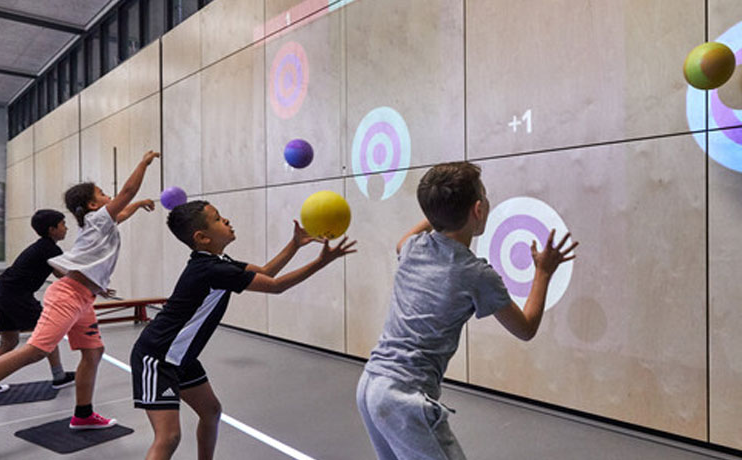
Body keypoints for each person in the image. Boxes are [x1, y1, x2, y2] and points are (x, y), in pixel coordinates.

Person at [0, 150, 161, 445]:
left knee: (93, 352)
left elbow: (124, 210)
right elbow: (127, 193)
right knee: (36, 350)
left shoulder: (101, 223)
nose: (110, 196)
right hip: (67, 296)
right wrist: (143, 164)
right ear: (93, 205)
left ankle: (83, 414)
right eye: (103, 193)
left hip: (84, 298)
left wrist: (139, 205)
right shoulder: (97, 220)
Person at [356, 162, 578, 459]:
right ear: (478, 210)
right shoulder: (476, 274)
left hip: (370, 385)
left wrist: (439, 207)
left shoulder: (413, 247)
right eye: (484, 196)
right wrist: (543, 272)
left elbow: (404, 240)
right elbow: (525, 328)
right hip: (403, 398)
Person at [131, 200, 355, 459]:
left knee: (211, 411)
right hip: (158, 357)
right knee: (169, 437)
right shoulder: (212, 269)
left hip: (181, 357)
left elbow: (267, 273)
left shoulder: (218, 262)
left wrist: (294, 244)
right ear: (202, 238)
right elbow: (276, 286)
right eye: (217, 219)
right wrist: (321, 262)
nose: (226, 220)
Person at [0, 209, 75, 399]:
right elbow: (64, 274)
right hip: (16, 297)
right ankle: (59, 377)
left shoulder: (43, 247)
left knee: (9, 342)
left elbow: (59, 273)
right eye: (63, 224)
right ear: (52, 229)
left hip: (0, 293)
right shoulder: (50, 249)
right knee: (49, 333)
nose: (66, 228)